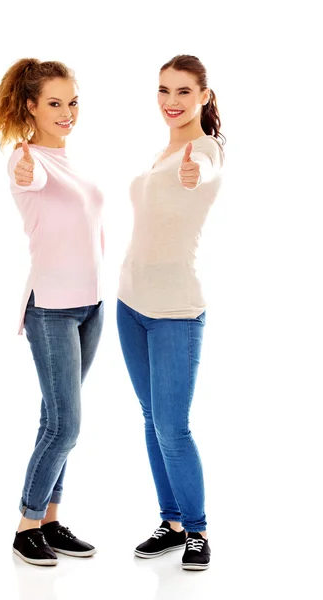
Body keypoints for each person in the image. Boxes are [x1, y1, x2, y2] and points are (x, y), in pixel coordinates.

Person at [0, 58, 104, 566]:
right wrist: (27, 167)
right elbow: (29, 181)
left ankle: (51, 521)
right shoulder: (26, 160)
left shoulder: (71, 160)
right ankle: (25, 526)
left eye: (72, 101)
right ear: (31, 107)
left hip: (90, 307)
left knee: (53, 417)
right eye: (54, 103)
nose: (67, 112)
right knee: (66, 426)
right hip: (52, 310)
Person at [116, 54, 225, 571]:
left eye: (183, 91)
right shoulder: (162, 151)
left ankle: (198, 530)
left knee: (173, 427)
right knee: (150, 419)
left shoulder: (205, 152)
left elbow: (202, 170)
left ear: (204, 95)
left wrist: (193, 170)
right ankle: (172, 521)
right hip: (130, 304)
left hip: (176, 311)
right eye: (163, 90)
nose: (171, 102)